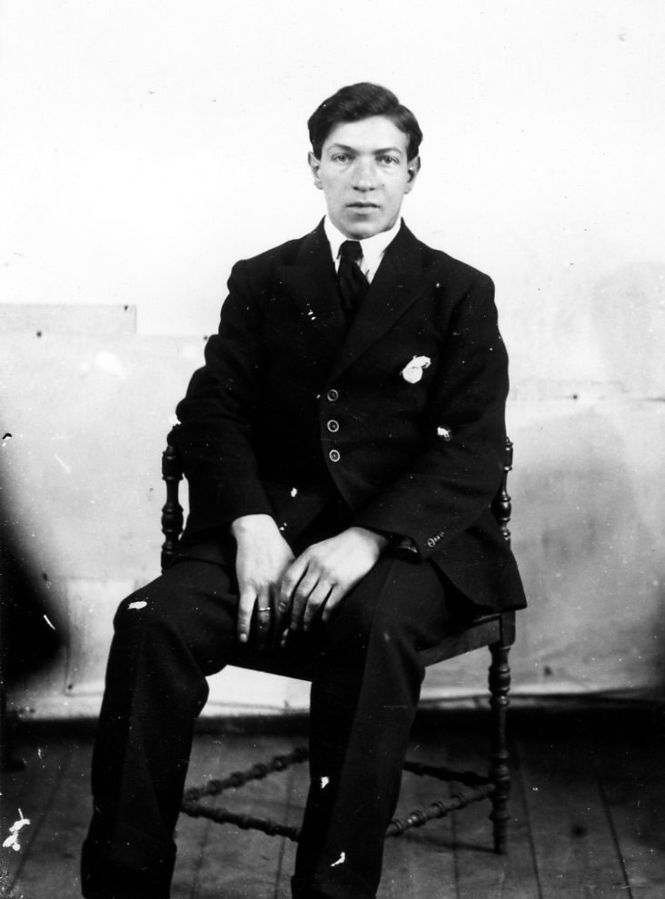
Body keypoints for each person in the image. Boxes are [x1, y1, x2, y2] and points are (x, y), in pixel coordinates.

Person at [81, 82, 526, 899]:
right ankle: (123, 883)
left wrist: (369, 537)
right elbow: (210, 412)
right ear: (313, 167)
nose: (364, 178)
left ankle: (331, 892)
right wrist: (250, 523)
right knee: (151, 620)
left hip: (406, 547)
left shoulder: (457, 288)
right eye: (343, 157)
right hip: (274, 529)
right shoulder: (264, 278)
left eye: (384, 159)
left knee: (372, 625)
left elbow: (472, 446)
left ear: (412, 172)